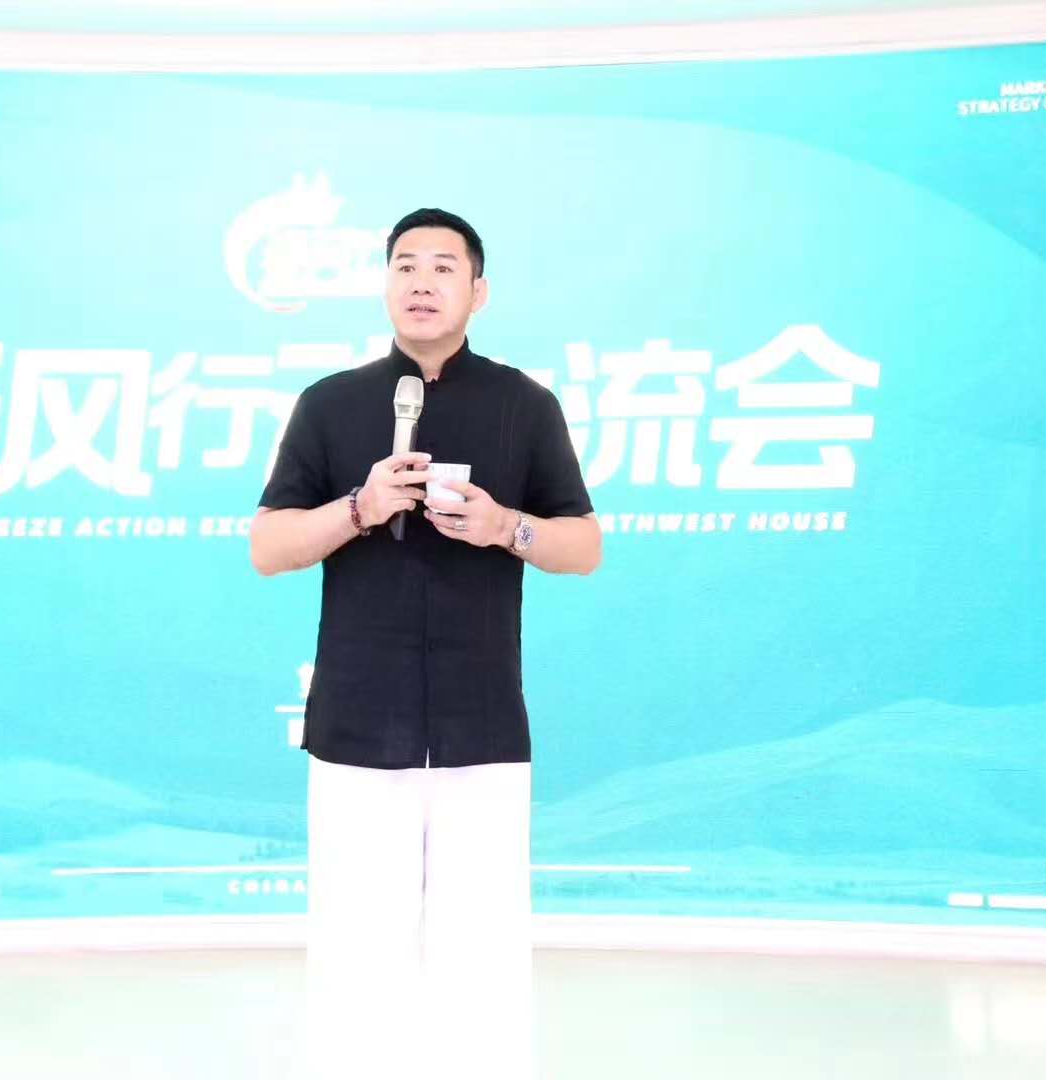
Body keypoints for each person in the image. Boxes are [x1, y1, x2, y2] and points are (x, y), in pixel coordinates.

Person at [251, 208, 600, 1080]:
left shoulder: (524, 405)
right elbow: (268, 547)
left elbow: (584, 546)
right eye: (405, 264)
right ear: (384, 285)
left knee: (481, 960)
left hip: (482, 727)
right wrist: (359, 508)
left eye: (444, 267)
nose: (421, 281)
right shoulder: (331, 405)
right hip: (357, 729)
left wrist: (506, 527)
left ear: (478, 292)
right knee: (354, 957)